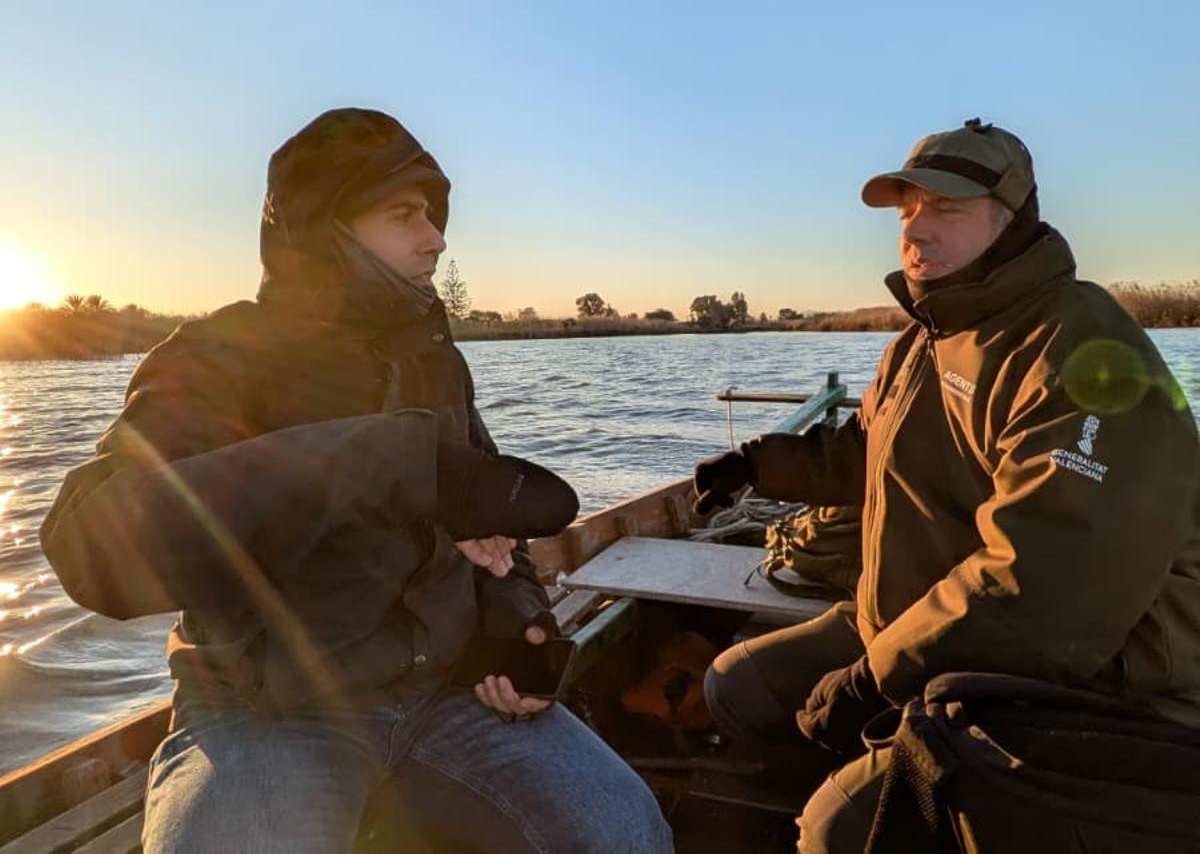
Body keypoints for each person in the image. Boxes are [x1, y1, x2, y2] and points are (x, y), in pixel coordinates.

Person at [39, 108, 673, 854]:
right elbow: (90, 548)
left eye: (433, 215)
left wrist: (515, 622)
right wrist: (383, 461)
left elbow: (496, 540)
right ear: (323, 231)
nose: (436, 238)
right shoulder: (215, 357)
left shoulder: (435, 360)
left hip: (447, 694)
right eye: (404, 215)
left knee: (626, 831)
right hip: (267, 712)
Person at [693, 118, 1200, 851]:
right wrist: (758, 465)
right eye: (908, 210)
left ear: (1011, 220)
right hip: (917, 623)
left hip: (1089, 679)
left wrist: (873, 679)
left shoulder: (1083, 350)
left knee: (836, 831)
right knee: (738, 686)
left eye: (948, 209)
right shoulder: (924, 336)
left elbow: (1043, 588)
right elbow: (867, 449)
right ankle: (873, 783)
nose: (916, 231)